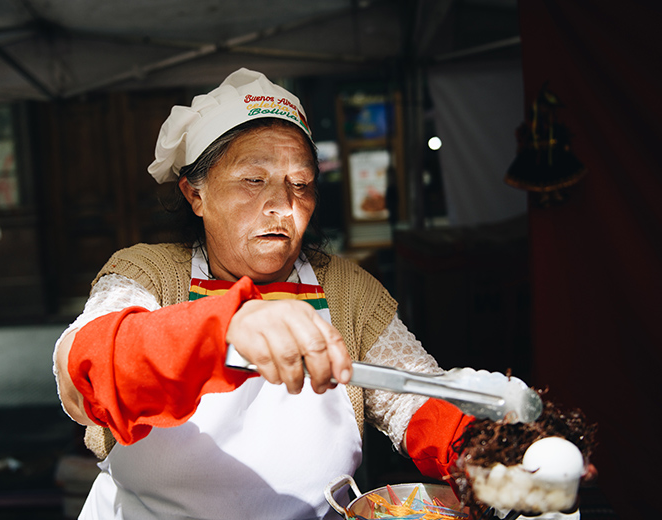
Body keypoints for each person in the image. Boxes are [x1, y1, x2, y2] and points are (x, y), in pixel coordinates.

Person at [52, 69, 507, 519]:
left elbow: (416, 396)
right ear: (196, 194)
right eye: (254, 180)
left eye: (301, 184)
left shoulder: (346, 290)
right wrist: (226, 327)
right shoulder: (147, 274)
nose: (283, 206)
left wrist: (493, 456)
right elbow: (85, 373)